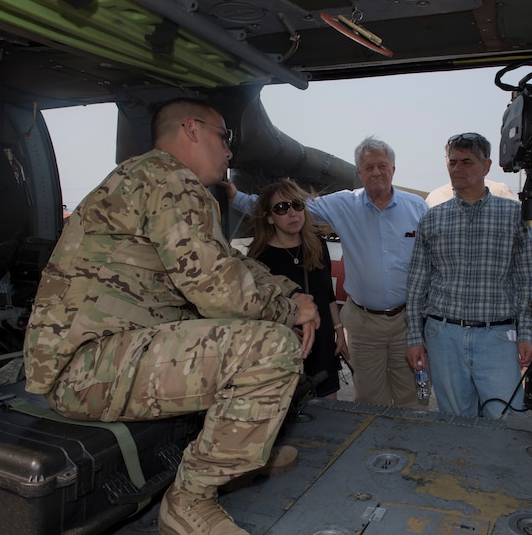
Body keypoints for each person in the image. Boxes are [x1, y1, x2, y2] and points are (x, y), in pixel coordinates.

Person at [22, 98, 320, 535]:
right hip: (86, 367)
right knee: (269, 347)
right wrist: (290, 311)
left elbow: (226, 265)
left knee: (236, 336)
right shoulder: (168, 179)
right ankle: (190, 500)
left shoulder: (156, 178)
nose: (230, 152)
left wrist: (291, 290)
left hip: (110, 354)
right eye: (225, 138)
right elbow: (218, 291)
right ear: (192, 130)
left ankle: (237, 456)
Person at [227, 136, 429, 408]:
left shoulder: (417, 208)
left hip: (407, 323)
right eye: (368, 167)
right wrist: (233, 196)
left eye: (382, 165)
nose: (376, 172)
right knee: (369, 403)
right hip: (365, 324)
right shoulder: (343, 205)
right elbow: (283, 207)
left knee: (413, 400)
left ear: (393, 168)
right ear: (359, 173)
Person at [405, 132, 532, 419]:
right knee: (455, 423)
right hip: (444, 337)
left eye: (466, 161)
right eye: (452, 162)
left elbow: (527, 282)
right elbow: (416, 286)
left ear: (486, 166)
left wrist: (526, 333)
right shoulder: (432, 218)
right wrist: (415, 337)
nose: (457, 169)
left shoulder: (515, 216)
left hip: (498, 338)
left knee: (506, 421)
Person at [248, 179, 350, 398]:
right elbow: (256, 308)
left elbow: (327, 295)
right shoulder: (259, 257)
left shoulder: (317, 245)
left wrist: (339, 330)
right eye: (282, 208)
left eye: (297, 205)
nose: (292, 213)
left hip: (322, 342)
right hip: (286, 346)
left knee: (329, 412)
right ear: (269, 217)